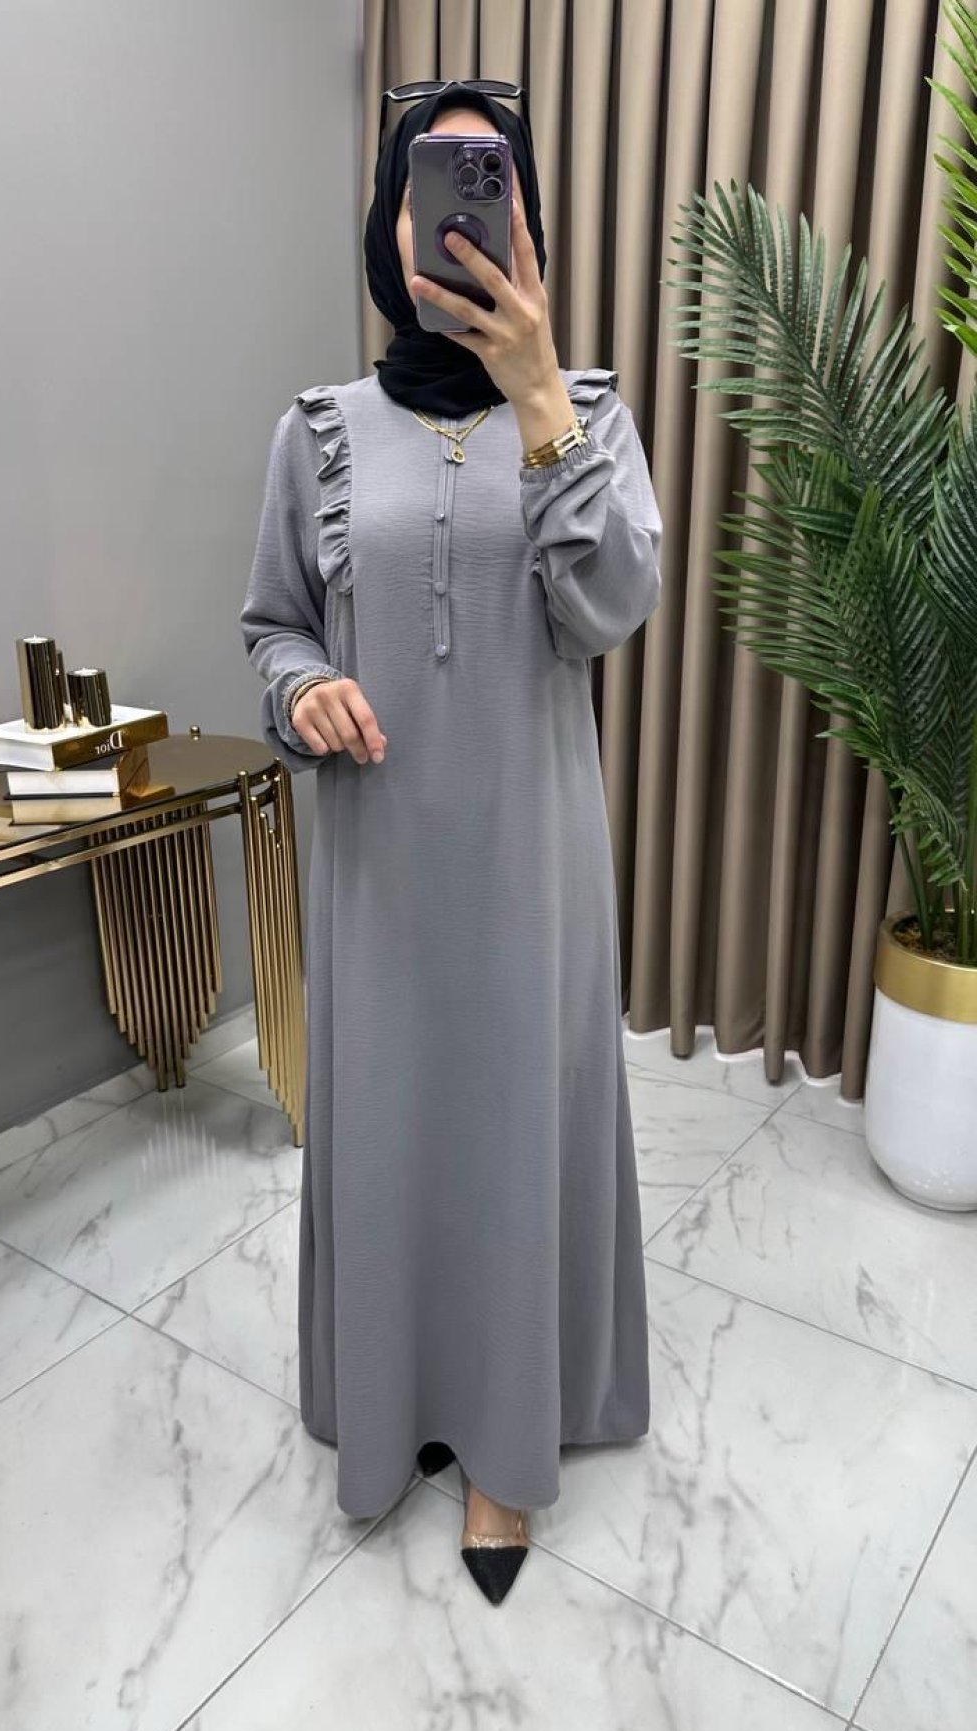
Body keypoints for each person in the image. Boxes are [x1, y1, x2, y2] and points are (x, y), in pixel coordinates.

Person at [240, 79, 663, 1606]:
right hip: (381, 872)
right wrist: (304, 690)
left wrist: (541, 396)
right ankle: (400, 1401)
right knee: (396, 1124)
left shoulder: (590, 416)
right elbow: (274, 625)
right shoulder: (318, 434)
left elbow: (610, 608)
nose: (462, 208)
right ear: (392, 218)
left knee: (512, 1129)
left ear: (526, 219)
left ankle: (504, 1445)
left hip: (531, 871)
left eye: (493, 178)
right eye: (437, 176)